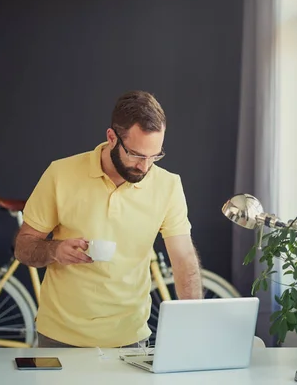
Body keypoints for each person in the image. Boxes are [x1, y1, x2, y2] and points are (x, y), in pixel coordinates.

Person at [14, 90, 203, 348]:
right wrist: (55, 249)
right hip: (60, 338)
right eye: (136, 155)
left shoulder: (168, 185)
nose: (145, 167)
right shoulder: (60, 173)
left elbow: (183, 259)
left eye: (154, 156)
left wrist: (197, 326)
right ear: (112, 138)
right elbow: (23, 247)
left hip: (131, 340)